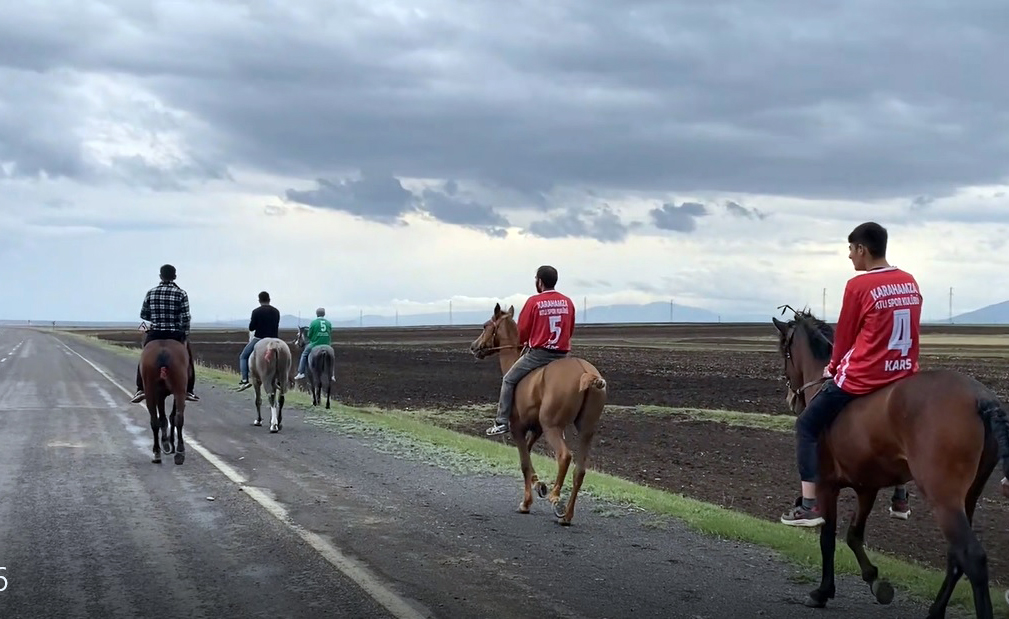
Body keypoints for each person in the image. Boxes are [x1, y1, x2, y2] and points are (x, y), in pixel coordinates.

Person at [781, 222, 920, 526]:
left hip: (866, 376)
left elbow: (843, 339)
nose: (849, 257)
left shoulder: (858, 286)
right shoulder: (909, 281)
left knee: (806, 425)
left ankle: (808, 504)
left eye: (850, 250)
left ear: (862, 250)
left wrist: (832, 368)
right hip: (903, 373)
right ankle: (900, 494)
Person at [486, 265, 575, 436]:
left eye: (536, 279)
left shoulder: (534, 302)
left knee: (509, 380)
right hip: (563, 355)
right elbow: (569, 329)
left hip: (539, 355)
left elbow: (523, 332)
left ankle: (501, 422)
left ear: (540, 282)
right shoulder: (568, 302)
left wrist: (529, 340)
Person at [130, 264, 200, 403]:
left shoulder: (151, 292)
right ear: (174, 276)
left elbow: (144, 314)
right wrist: (185, 334)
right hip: (174, 334)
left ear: (160, 276)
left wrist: (157, 318)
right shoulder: (181, 293)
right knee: (188, 359)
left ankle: (140, 388)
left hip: (155, 333)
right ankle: (189, 390)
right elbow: (186, 317)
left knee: (144, 356)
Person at [237, 291, 281, 391]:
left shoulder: (256, 311)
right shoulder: (276, 311)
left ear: (259, 300)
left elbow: (251, 328)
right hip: (274, 339)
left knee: (243, 356)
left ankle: (244, 380)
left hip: (259, 338)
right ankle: (279, 380)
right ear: (269, 299)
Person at [294, 307, 333, 381]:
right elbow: (330, 333)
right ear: (324, 314)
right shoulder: (328, 323)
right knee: (332, 357)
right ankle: (332, 375)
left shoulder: (313, 323)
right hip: (327, 345)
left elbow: (309, 335)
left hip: (315, 344)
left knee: (304, 354)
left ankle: (301, 372)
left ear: (316, 314)